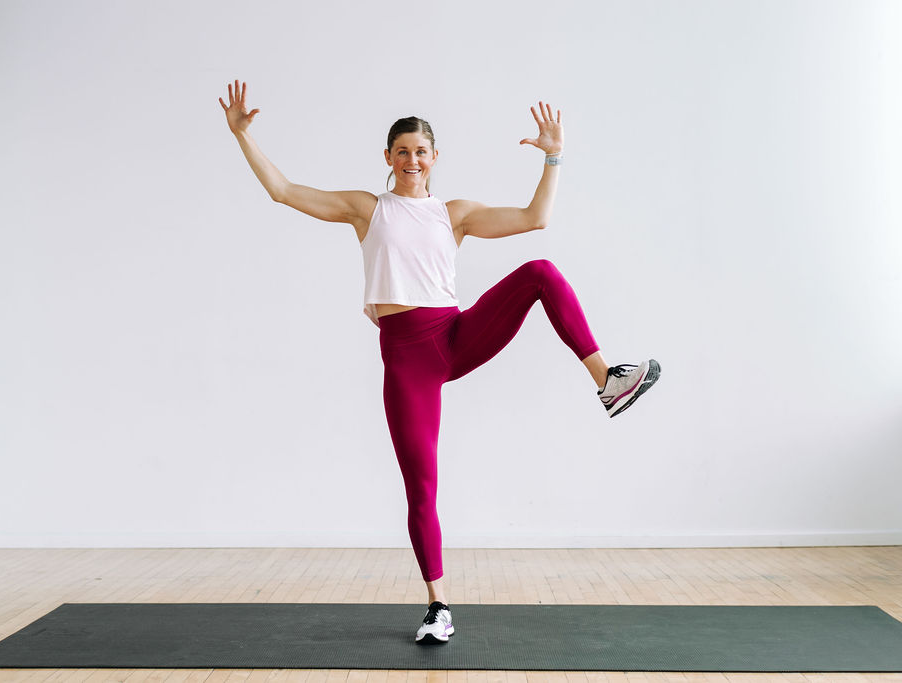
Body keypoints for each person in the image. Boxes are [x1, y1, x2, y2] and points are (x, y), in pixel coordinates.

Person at [219, 79, 661, 645]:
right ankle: (438, 604)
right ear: (388, 158)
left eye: (420, 151)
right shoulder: (367, 210)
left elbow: (535, 217)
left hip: (455, 334)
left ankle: (607, 380)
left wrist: (553, 155)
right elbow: (283, 191)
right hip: (407, 358)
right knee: (421, 484)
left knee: (541, 271)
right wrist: (242, 136)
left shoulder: (454, 214)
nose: (411, 159)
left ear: (434, 158)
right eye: (401, 151)